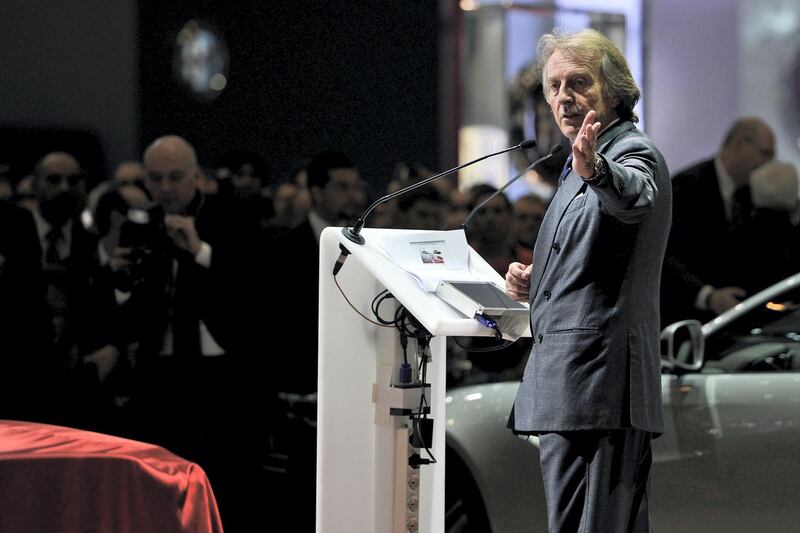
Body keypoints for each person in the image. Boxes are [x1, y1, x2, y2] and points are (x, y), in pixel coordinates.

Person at [503, 29, 671, 532]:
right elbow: (592, 261)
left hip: (601, 389)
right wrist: (536, 282)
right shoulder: (577, 166)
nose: (562, 97)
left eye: (578, 82)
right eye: (554, 86)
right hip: (572, 388)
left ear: (615, 91)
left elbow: (634, 195)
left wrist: (597, 168)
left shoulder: (628, 153)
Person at [660, 116, 775, 326]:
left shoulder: (752, 194)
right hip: (688, 323)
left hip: (735, 323)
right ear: (741, 144)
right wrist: (708, 295)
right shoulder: (687, 186)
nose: (770, 163)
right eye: (766, 153)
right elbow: (665, 254)